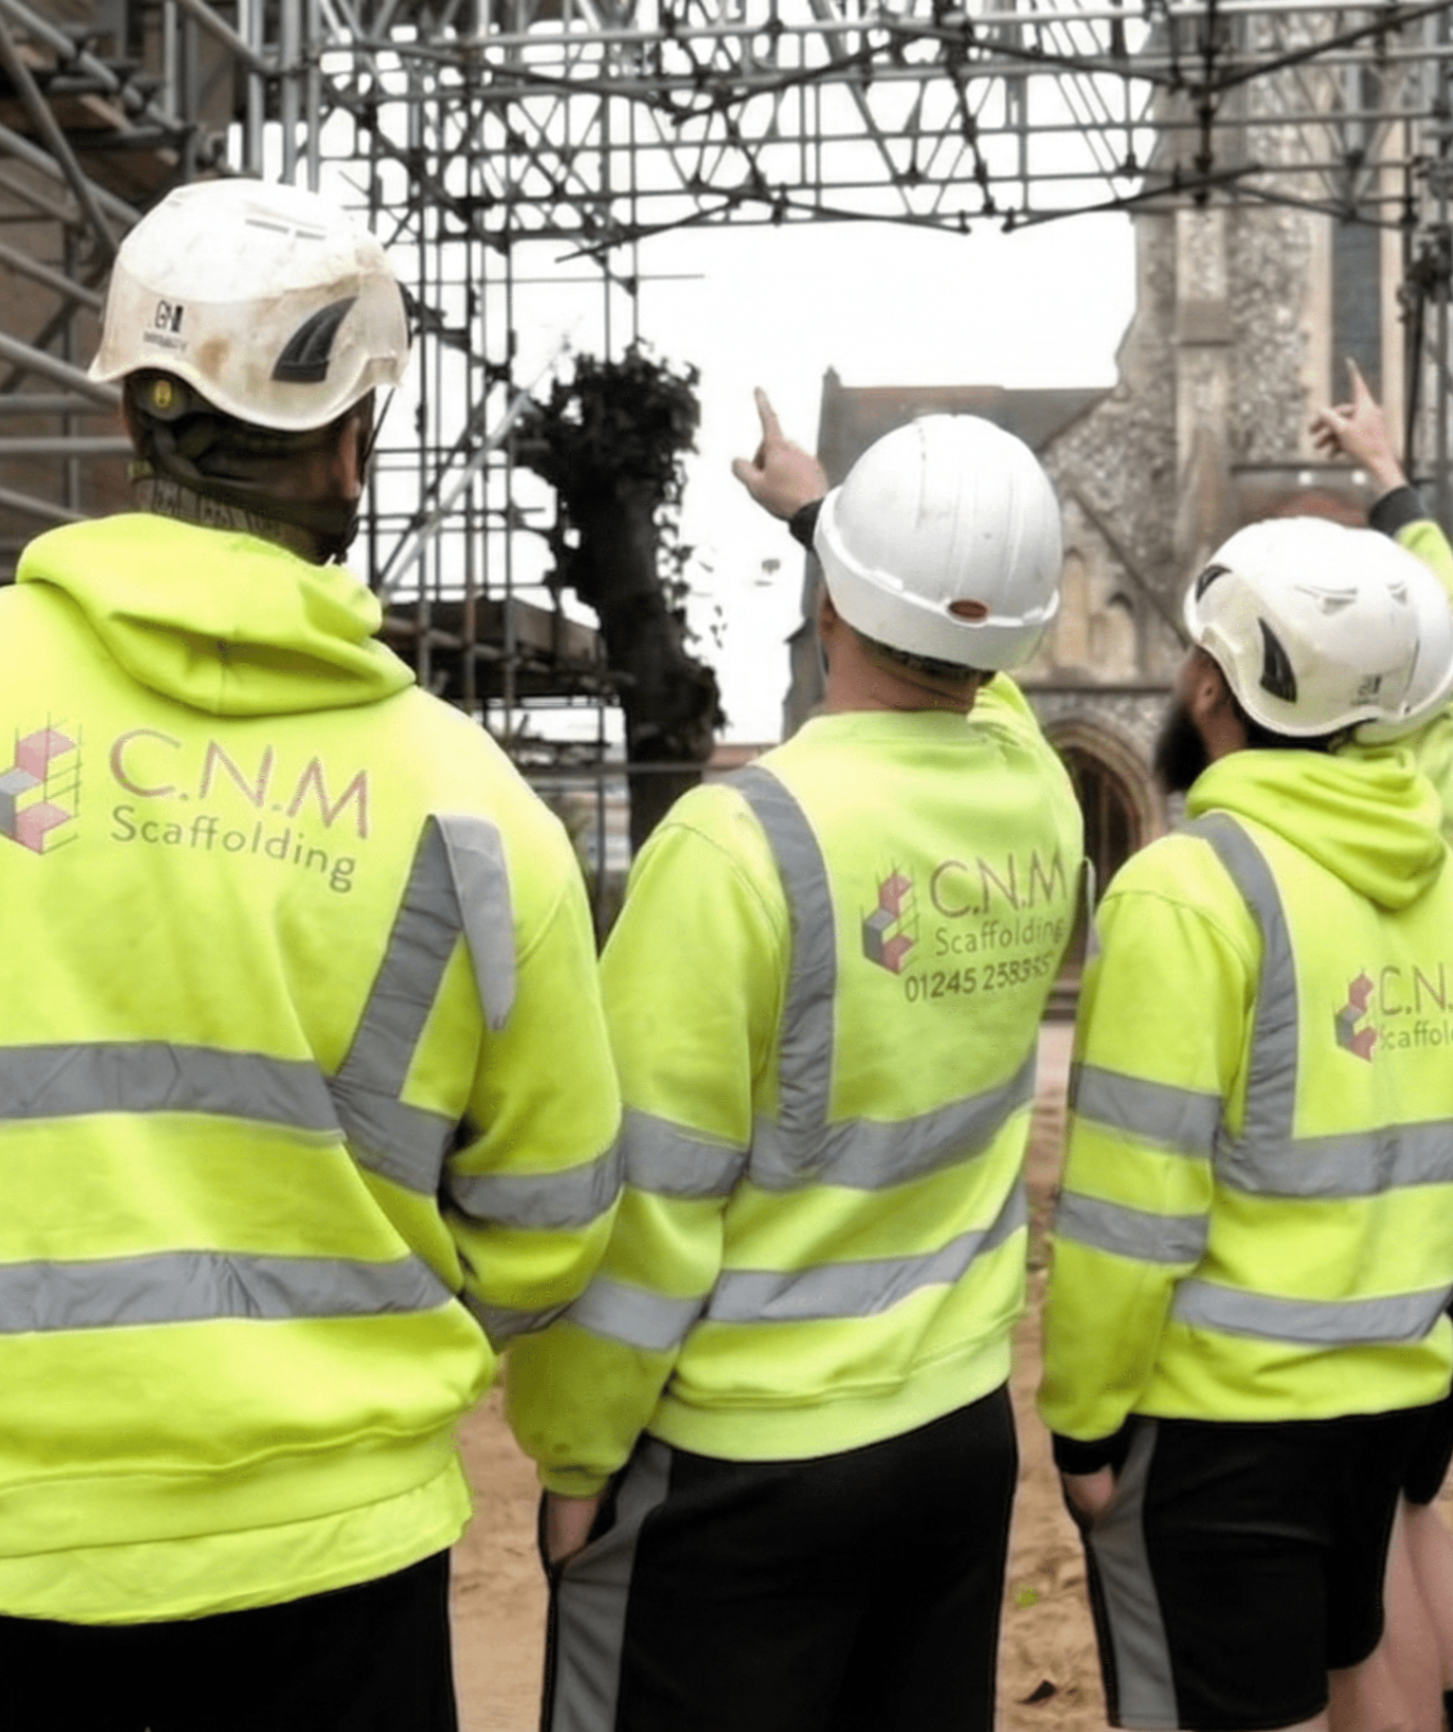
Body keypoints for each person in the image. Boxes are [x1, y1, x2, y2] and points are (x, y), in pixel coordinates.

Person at [0, 177, 621, 1730]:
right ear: (351, 443)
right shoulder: (471, 807)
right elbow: (554, 1223)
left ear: (133, 404)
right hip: (328, 1574)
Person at [507, 394, 1085, 1731]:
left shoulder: (736, 848)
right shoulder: (1037, 795)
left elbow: (649, 1205)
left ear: (826, 600)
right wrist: (836, 523)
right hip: (952, 1431)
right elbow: (985, 675)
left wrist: (578, 1450)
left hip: (744, 1467)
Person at [1037, 512, 1453, 1732]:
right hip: (1389, 1381)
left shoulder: (1189, 888)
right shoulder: (1450, 885)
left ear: (1207, 681)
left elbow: (1128, 1206)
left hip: (1220, 1416)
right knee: (1357, 1659)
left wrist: (1085, 1425)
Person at [1311, 361, 1453, 1732]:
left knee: (1355, 1565)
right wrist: (1394, 481)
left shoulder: (1371, 807)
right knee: (1416, 1507)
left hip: (1386, 1223)